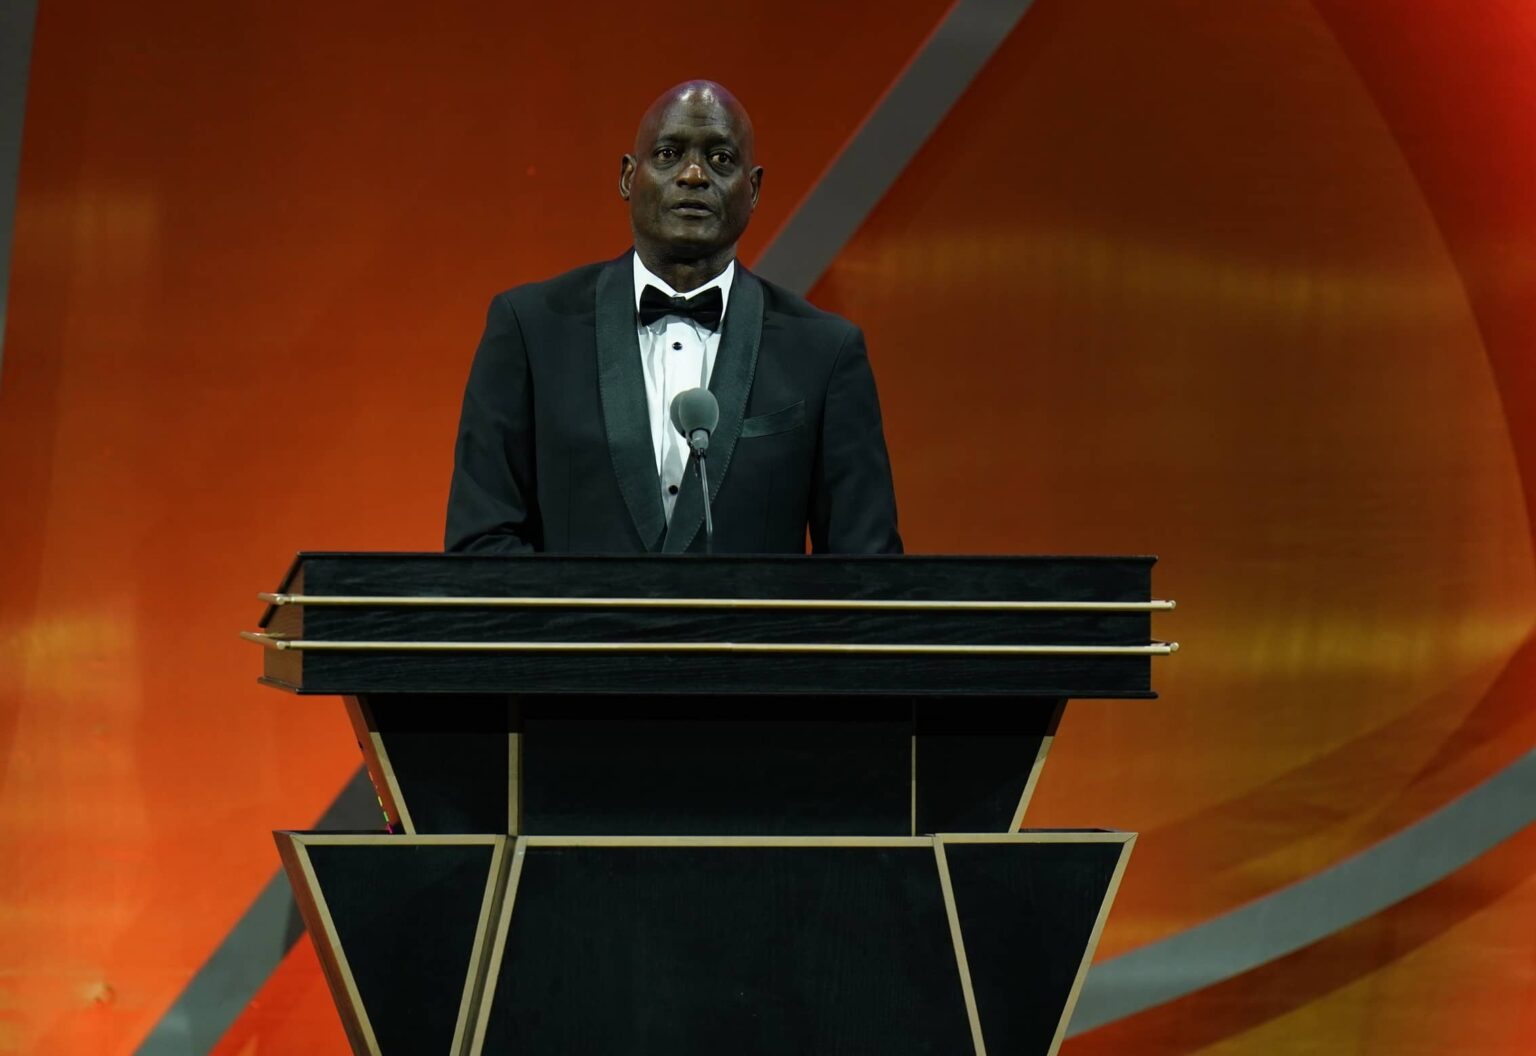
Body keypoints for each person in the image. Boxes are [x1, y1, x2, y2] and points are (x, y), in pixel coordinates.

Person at [444, 80, 901, 555]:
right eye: (668, 153)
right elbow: (481, 544)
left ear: (755, 188)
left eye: (721, 158)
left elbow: (865, 568)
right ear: (627, 176)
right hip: (576, 632)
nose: (694, 175)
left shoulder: (826, 352)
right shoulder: (529, 330)